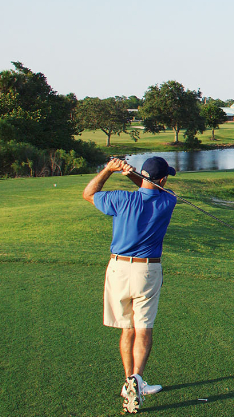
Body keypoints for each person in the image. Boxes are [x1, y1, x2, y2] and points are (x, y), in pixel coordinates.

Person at [82, 156, 177, 413]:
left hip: (118, 268)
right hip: (147, 270)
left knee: (127, 328)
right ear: (164, 179)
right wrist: (134, 175)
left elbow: (89, 193)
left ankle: (129, 382)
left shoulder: (120, 199)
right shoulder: (168, 201)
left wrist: (110, 170)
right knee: (143, 328)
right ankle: (137, 379)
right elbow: (152, 187)